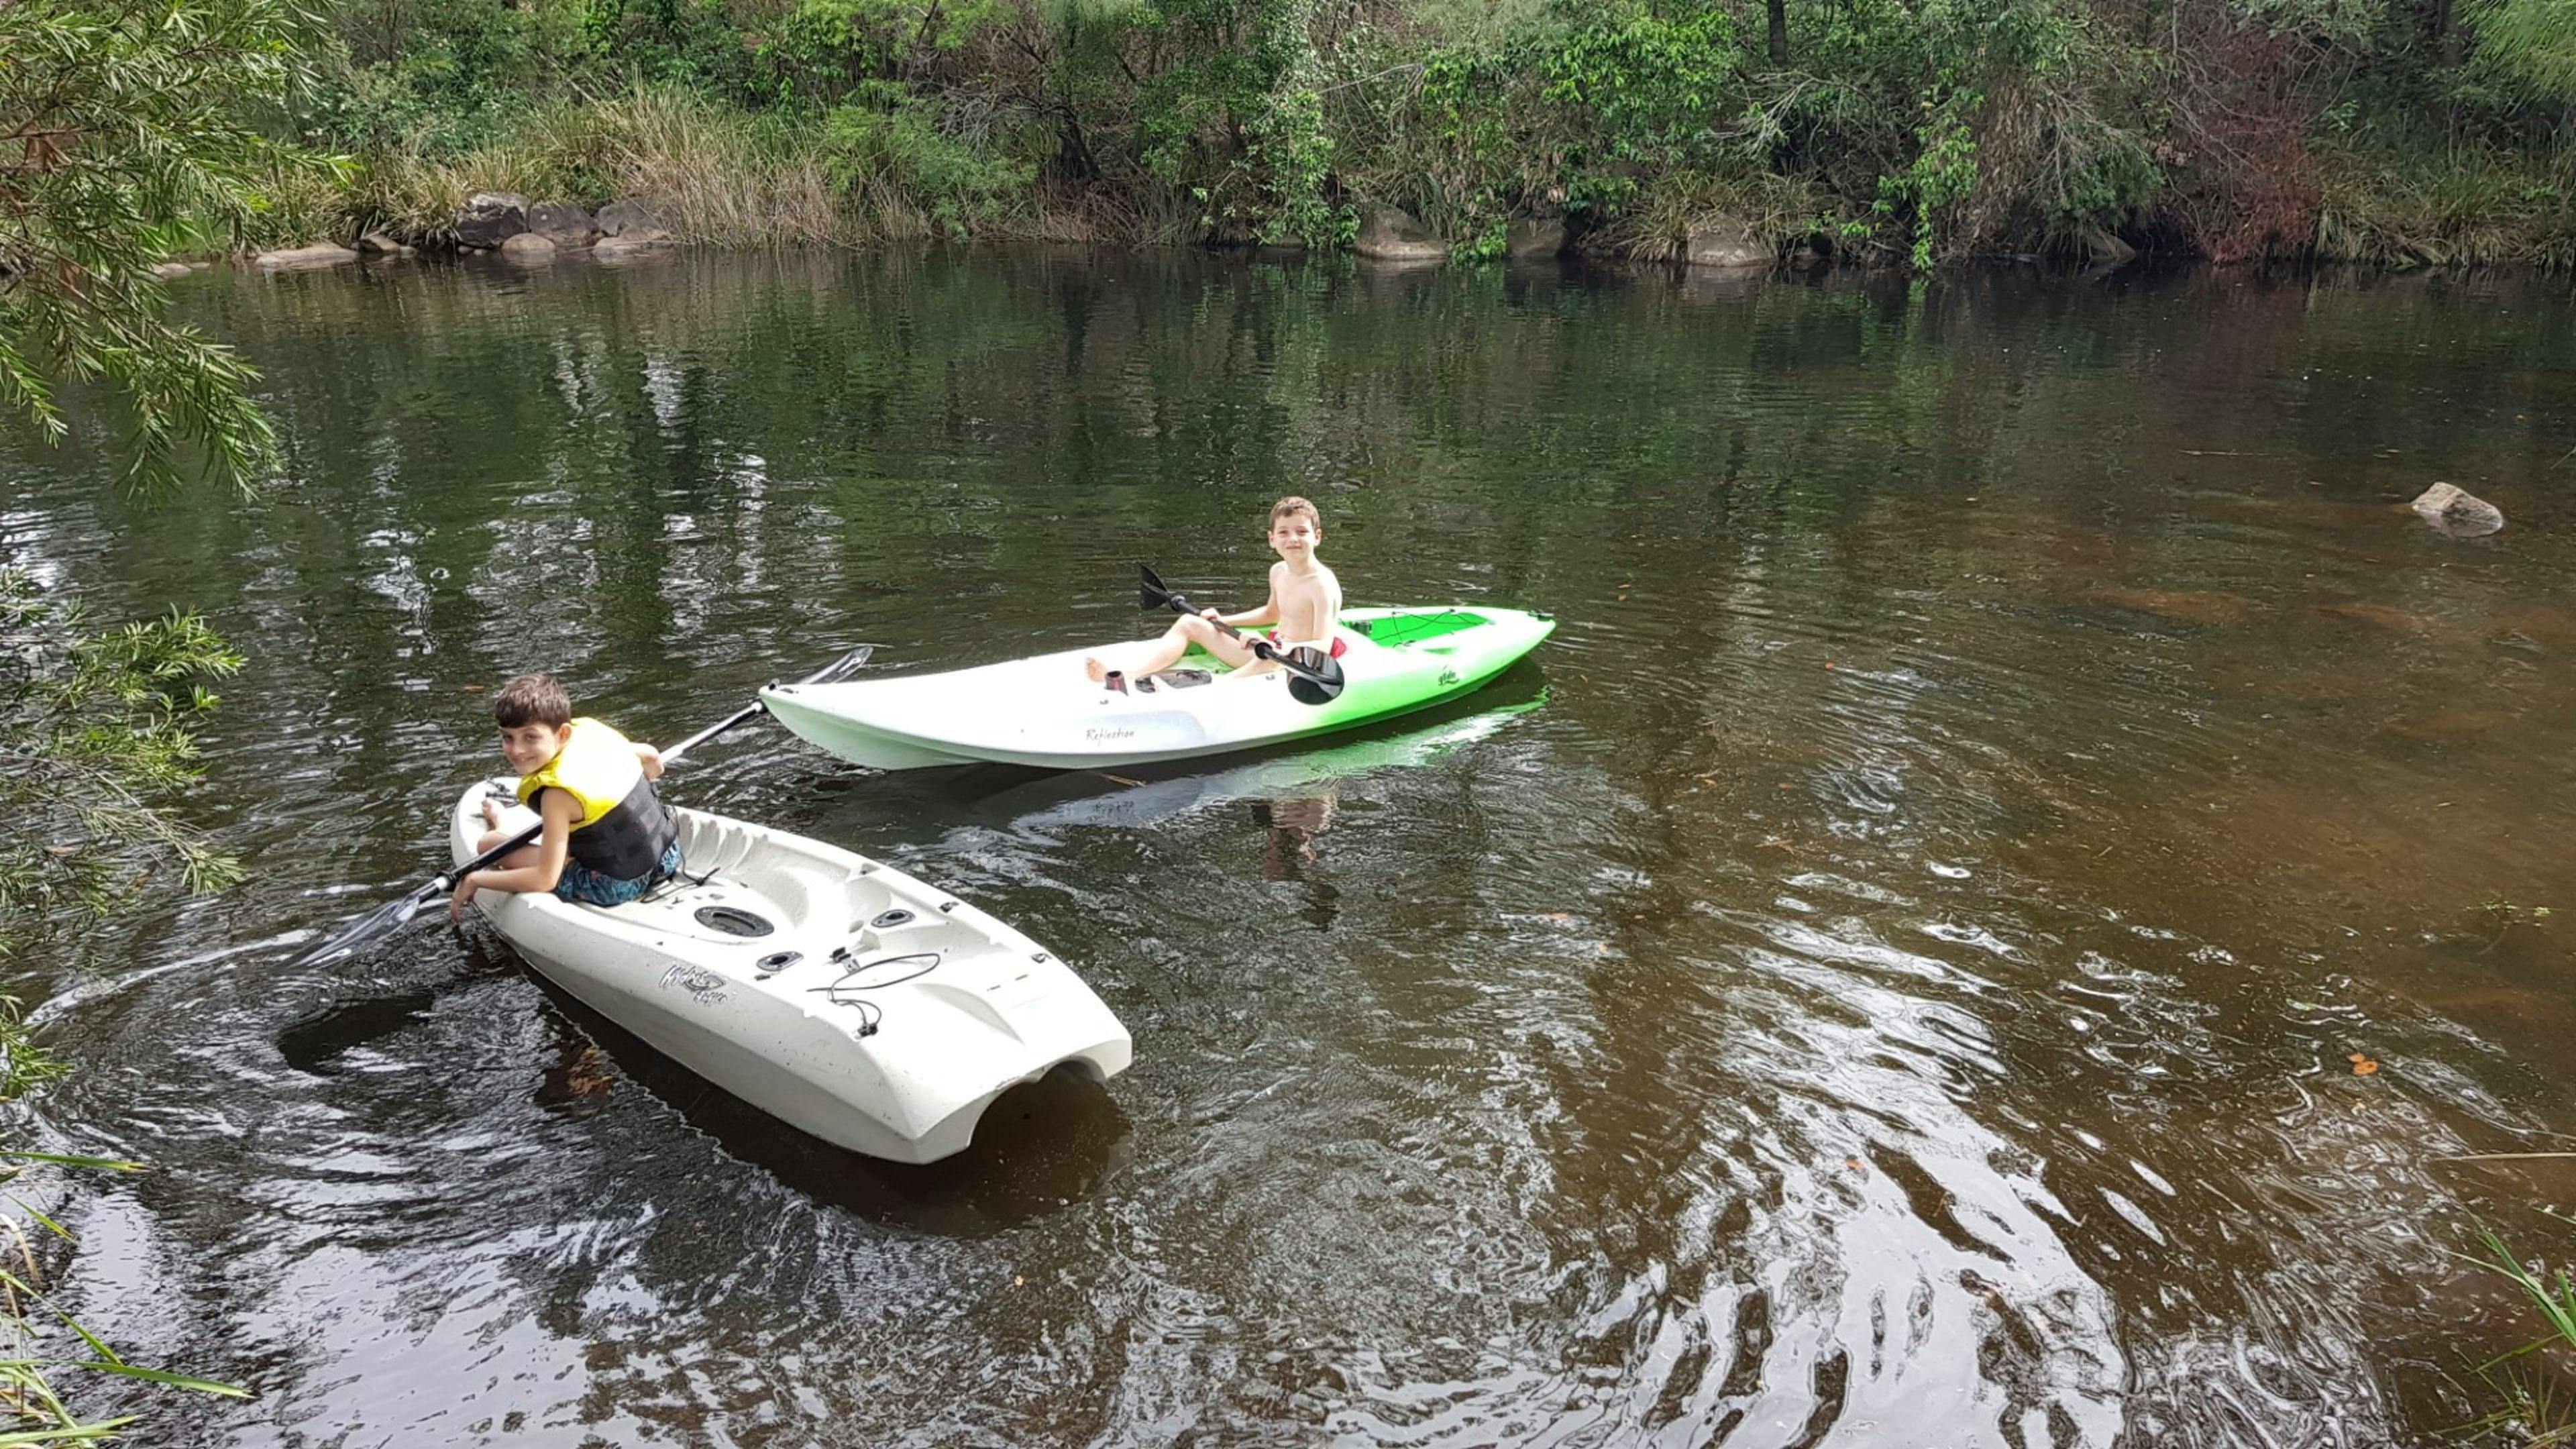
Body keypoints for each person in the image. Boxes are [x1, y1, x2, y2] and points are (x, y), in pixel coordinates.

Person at [449, 673, 682, 920]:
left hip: (614, 887)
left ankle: (502, 823)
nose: (517, 750)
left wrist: (476, 879)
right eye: (508, 737)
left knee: (489, 845)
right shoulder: (592, 735)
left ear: (562, 734)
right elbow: (652, 757)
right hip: (668, 855)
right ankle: (504, 821)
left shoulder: (556, 795)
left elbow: (545, 879)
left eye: (530, 737)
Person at [1085, 496, 1344, 688]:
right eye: (1284, 533)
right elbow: (1271, 614)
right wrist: (1223, 620)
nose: (1293, 539)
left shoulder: (1322, 584)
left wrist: (1276, 646)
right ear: (1272, 539)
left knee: (1270, 659)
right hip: (1269, 648)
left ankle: (1215, 689)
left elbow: (1323, 644)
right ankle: (1129, 675)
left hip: (1296, 660)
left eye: (1302, 532)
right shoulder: (1278, 571)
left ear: (1317, 536)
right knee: (1188, 622)